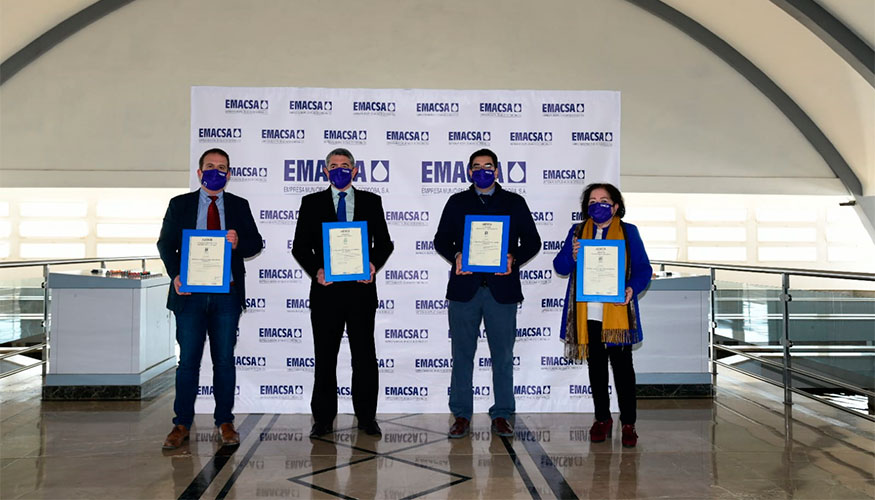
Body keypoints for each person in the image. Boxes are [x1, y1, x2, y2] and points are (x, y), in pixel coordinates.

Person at [157, 148, 263, 449]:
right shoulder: (180, 204)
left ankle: (225, 421)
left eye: (222, 167)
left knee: (224, 361)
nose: (216, 171)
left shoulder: (239, 206)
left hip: (226, 295)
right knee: (188, 362)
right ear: (200, 172)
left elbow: (255, 243)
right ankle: (181, 424)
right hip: (189, 294)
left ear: (229, 174)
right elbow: (165, 243)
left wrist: (239, 241)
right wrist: (176, 275)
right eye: (210, 166)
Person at [433, 148, 541, 438]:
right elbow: (441, 239)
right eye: (477, 166)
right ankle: (461, 415)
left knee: (503, 356)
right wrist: (455, 254)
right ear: (469, 172)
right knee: (462, 355)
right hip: (464, 291)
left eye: (488, 166)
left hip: (501, 291)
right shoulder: (457, 202)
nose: (483, 171)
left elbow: (532, 241)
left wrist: (512, 258)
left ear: (497, 170)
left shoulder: (514, 202)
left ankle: (503, 413)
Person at [292, 148, 394, 438]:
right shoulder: (311, 203)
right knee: (325, 356)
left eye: (345, 165)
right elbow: (300, 246)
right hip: (326, 292)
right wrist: (317, 270)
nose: (339, 169)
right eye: (333, 166)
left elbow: (385, 243)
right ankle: (323, 419)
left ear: (355, 170)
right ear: (325, 171)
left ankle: (366, 417)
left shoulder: (371, 201)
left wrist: (373, 264)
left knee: (364, 356)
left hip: (362, 291)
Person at [552, 182, 651, 447]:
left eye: (604, 200)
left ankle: (628, 423)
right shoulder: (576, 232)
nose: (598, 205)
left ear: (616, 206)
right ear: (586, 206)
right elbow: (560, 266)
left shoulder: (629, 233)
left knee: (623, 370)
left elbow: (643, 269)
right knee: (596, 369)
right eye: (592, 201)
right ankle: (602, 418)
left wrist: (632, 287)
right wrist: (571, 255)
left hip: (618, 312)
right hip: (588, 314)